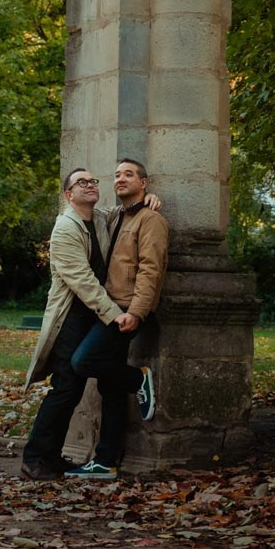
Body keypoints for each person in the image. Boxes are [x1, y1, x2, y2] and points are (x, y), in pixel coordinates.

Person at [20, 160, 167, 483]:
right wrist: (117, 316)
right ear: (68, 195)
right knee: (66, 388)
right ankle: (34, 458)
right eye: (81, 183)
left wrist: (150, 199)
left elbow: (132, 215)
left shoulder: (101, 219)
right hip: (72, 316)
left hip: (98, 314)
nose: (90, 185)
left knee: (89, 387)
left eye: (93, 181)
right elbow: (84, 282)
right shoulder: (65, 228)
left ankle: (76, 457)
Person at [64, 158, 168, 481]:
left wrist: (137, 312)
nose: (120, 179)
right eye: (117, 175)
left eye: (129, 175)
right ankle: (106, 460)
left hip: (126, 310)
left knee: (82, 361)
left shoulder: (151, 220)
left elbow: (152, 268)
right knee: (110, 387)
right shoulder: (114, 218)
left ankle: (137, 379)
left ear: (144, 182)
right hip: (109, 307)